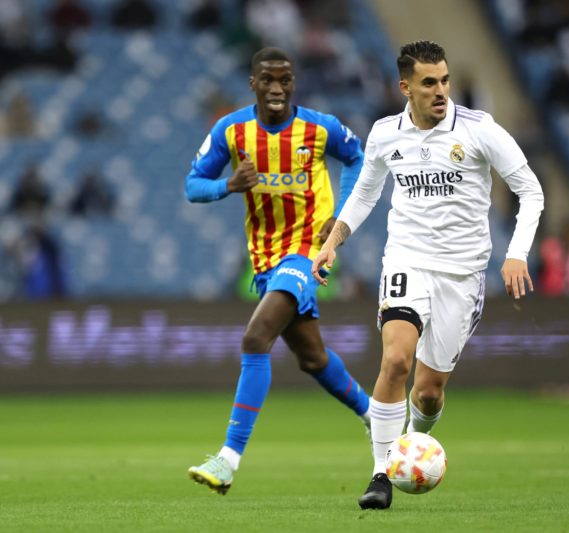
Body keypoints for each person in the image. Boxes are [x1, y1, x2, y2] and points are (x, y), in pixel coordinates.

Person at [311, 40, 544, 510]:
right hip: (406, 260)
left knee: (429, 391)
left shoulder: (480, 130)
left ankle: (414, 443)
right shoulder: (384, 134)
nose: (441, 91)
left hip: (462, 274)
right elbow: (364, 196)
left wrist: (517, 254)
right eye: (429, 83)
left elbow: (531, 191)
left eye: (444, 80)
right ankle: (380, 474)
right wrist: (333, 242)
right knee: (396, 361)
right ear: (405, 87)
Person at [184, 46, 370, 495]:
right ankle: (376, 415)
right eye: (267, 79)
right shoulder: (231, 131)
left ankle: (228, 459)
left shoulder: (321, 128)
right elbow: (192, 185)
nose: (276, 87)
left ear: (294, 83)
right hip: (265, 258)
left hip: (307, 252)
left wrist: (340, 218)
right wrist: (228, 185)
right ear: (252, 83)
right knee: (313, 359)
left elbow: (359, 158)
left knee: (255, 338)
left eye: (284, 79)